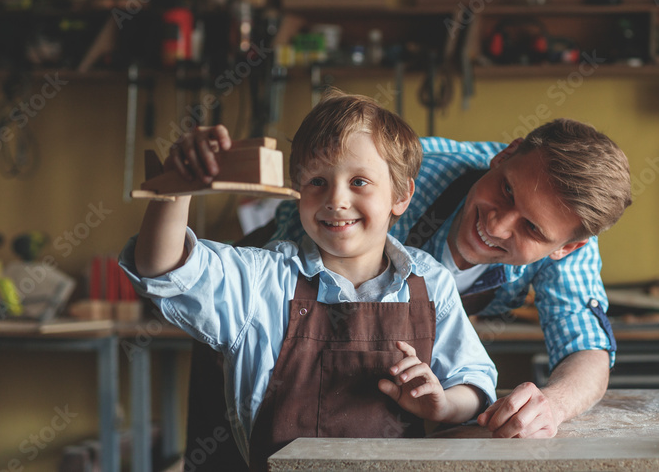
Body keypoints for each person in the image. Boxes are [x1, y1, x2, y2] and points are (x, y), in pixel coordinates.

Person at [120, 91, 498, 469]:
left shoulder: (431, 283)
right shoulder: (263, 281)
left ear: (401, 196)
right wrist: (176, 188)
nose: (336, 199)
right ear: (297, 190)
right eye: (317, 180)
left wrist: (444, 404)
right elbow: (164, 270)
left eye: (360, 182)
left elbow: (475, 382)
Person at [270, 118, 633, 438]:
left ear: (566, 249)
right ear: (505, 156)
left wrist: (552, 405)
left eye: (532, 228)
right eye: (507, 190)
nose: (496, 224)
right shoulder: (399, 176)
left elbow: (585, 348)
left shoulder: (571, 233)